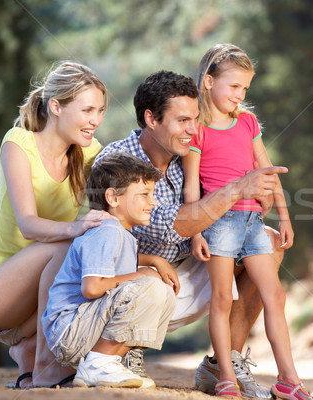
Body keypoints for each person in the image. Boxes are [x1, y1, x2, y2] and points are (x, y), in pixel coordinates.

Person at [95, 70, 287, 399]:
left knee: (266, 242)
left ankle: (223, 363)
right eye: (182, 121)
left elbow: (235, 210)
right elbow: (169, 226)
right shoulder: (118, 162)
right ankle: (124, 350)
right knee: (150, 277)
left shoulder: (192, 157)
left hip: (186, 275)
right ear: (150, 118)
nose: (193, 130)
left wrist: (259, 197)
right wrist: (237, 188)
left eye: (196, 119)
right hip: (132, 289)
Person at [0, 61, 113, 388]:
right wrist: (77, 227)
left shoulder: (91, 154)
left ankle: (30, 352)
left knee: (93, 248)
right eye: (86, 110)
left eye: (99, 111)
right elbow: (28, 225)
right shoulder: (19, 144)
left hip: (28, 316)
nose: (95, 121)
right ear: (56, 106)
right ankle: (47, 364)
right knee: (70, 243)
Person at [183, 43, 312, 400]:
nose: (240, 96)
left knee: (275, 294)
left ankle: (288, 378)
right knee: (222, 299)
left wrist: (284, 217)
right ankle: (225, 375)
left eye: (245, 89)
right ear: (208, 82)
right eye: (234, 87)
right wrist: (195, 232)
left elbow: (268, 173)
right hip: (218, 223)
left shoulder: (248, 123)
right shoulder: (199, 129)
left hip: (253, 222)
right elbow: (191, 185)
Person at [42, 152, 176, 389]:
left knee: (161, 290)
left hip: (84, 327)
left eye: (152, 194)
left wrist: (154, 261)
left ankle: (107, 361)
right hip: (70, 330)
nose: (153, 202)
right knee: (151, 287)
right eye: (144, 195)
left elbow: (118, 266)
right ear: (113, 197)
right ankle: (98, 363)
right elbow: (92, 287)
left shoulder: (119, 233)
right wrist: (142, 274)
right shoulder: (107, 231)